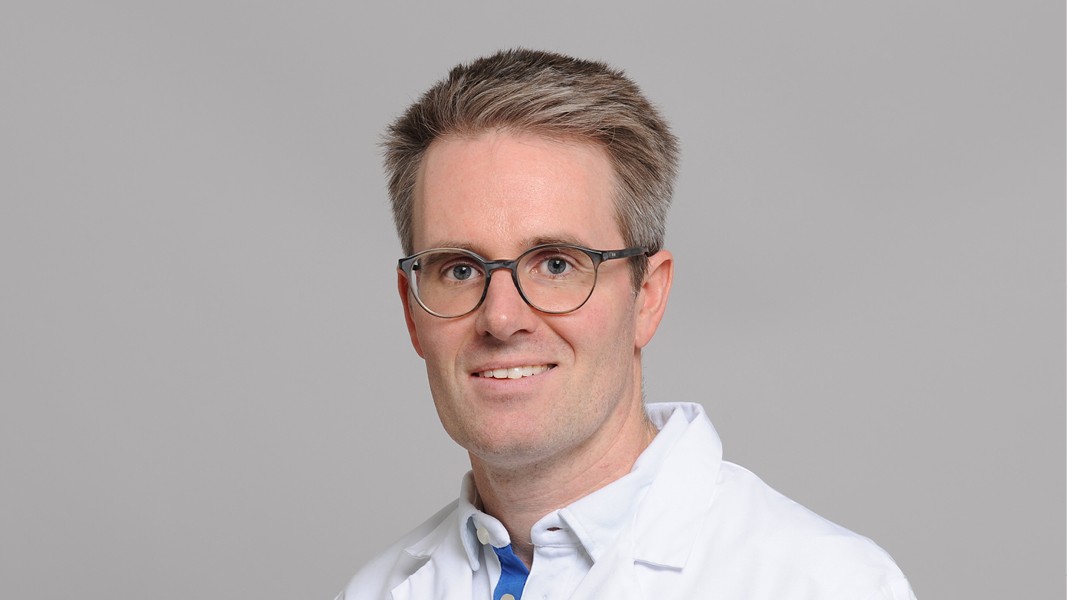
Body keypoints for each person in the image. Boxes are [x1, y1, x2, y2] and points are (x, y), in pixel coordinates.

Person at [337, 48, 916, 600]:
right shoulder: (370, 592)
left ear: (648, 298)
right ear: (411, 309)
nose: (502, 318)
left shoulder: (826, 585)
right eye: (460, 270)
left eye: (556, 265)